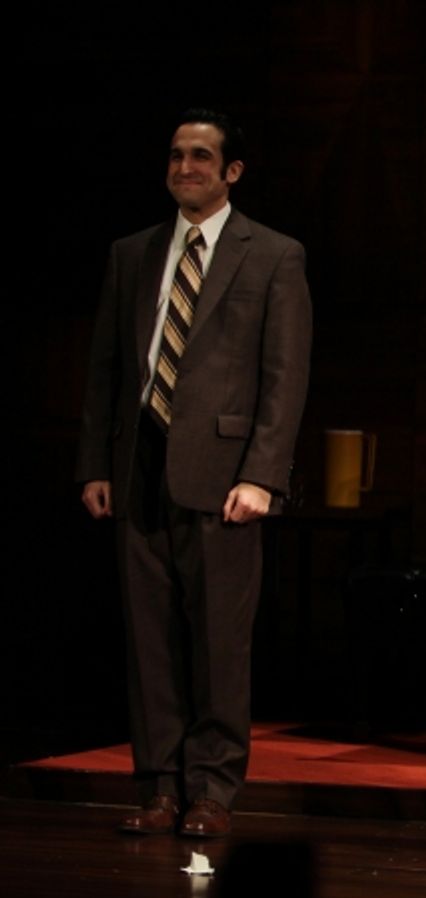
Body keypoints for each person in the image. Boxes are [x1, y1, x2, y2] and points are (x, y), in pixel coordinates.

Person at [77, 108, 312, 839]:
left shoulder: (273, 255)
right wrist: (96, 463)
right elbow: (107, 371)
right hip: (140, 463)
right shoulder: (133, 253)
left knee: (218, 642)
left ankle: (212, 790)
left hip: (225, 475)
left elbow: (284, 376)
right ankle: (158, 788)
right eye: (177, 155)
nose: (186, 168)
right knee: (150, 642)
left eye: (202, 157)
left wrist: (263, 477)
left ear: (231, 171)